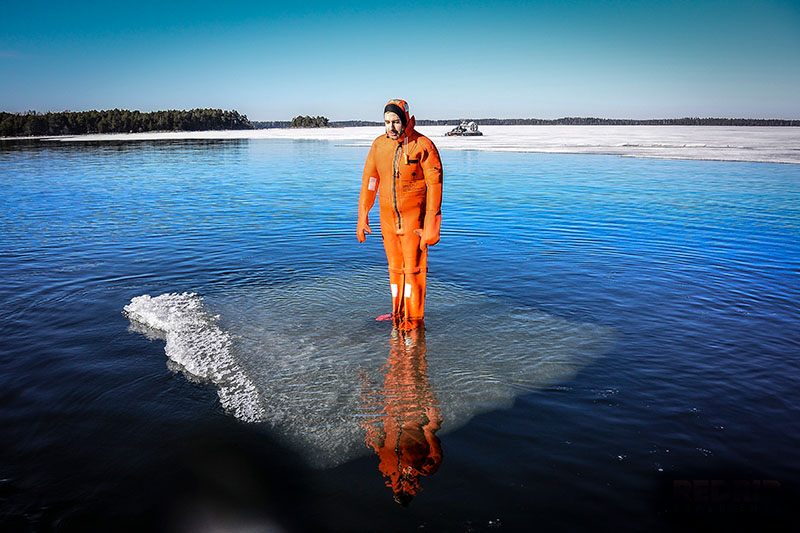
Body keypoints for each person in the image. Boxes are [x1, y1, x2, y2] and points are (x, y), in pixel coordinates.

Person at [357, 99, 443, 330]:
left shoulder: (422, 145)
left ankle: (414, 319)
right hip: (387, 220)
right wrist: (363, 215)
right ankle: (397, 313)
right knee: (395, 269)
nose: (391, 127)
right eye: (387, 122)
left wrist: (432, 226)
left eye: (395, 121)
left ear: (405, 120)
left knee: (413, 270)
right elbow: (370, 181)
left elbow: (435, 186)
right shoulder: (379, 145)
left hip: (414, 221)